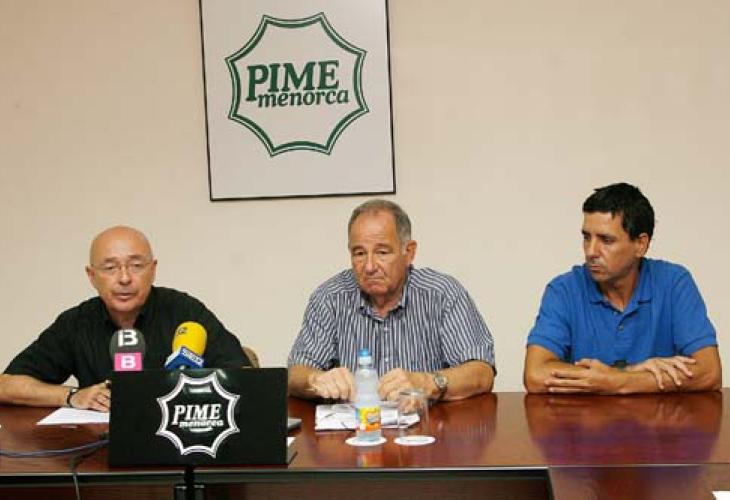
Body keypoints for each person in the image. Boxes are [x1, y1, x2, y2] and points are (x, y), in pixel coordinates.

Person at [0, 226, 250, 412]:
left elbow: (245, 375)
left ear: (153, 269)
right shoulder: (77, 323)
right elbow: (7, 385)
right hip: (102, 450)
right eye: (110, 268)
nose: (124, 278)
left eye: (136, 266)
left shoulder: (184, 311)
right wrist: (72, 396)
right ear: (91, 276)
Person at [288, 199, 495, 402]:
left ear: (409, 252)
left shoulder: (442, 294)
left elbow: (482, 372)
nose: (369, 266)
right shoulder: (330, 298)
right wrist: (315, 379)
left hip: (427, 423)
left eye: (382, 252)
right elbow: (294, 374)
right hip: (353, 423)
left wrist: (428, 382)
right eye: (359, 253)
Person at [524, 183, 721, 394]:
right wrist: (628, 373)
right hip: (589, 416)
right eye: (586, 237)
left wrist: (618, 381)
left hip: (660, 416)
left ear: (640, 245)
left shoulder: (674, 282)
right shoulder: (563, 290)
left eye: (606, 240)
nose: (591, 251)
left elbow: (710, 373)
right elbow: (535, 375)